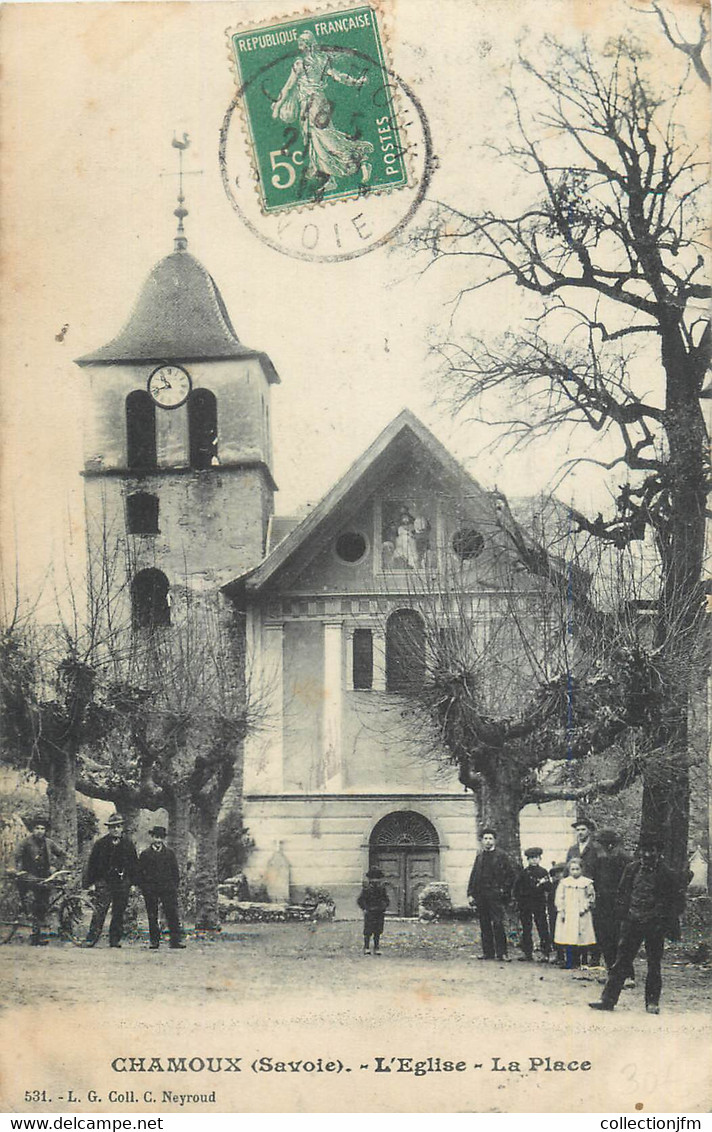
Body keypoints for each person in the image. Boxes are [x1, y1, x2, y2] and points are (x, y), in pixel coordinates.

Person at [589, 835, 690, 1015]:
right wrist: (624, 916)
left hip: (654, 925)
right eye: (643, 850)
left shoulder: (667, 874)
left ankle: (652, 1002)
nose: (646, 854)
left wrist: (663, 919)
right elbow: (622, 894)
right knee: (621, 963)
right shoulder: (631, 869)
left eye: (651, 850)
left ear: (658, 853)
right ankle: (608, 1000)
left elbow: (677, 902)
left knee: (654, 964)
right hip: (632, 922)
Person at [271, 31, 373, 191]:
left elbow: (288, 86)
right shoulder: (323, 60)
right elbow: (338, 76)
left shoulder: (300, 64)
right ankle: (329, 177)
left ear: (307, 45)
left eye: (301, 44)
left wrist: (277, 107)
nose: (300, 47)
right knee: (316, 139)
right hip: (319, 102)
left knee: (325, 138)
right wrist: (356, 82)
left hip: (311, 104)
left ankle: (361, 161)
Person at [84, 813, 138, 948]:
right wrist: (90, 883)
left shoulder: (128, 844)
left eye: (118, 826)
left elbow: (134, 865)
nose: (115, 829)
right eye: (113, 827)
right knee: (99, 910)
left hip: (122, 882)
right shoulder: (100, 844)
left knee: (119, 911)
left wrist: (133, 883)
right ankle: (92, 937)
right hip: (104, 882)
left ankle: (114, 939)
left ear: (122, 828)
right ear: (109, 828)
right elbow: (92, 864)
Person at [14, 813, 66, 946]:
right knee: (36, 902)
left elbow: (61, 854)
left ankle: (40, 932)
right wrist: (17, 870)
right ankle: (35, 935)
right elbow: (16, 856)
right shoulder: (26, 842)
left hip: (44, 877)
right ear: (32, 829)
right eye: (37, 828)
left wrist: (55, 866)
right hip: (29, 876)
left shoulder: (49, 843)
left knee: (44, 903)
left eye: (42, 829)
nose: (40, 831)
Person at [467, 828, 517, 961]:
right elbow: (474, 876)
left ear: (494, 840)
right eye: (485, 839)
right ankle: (488, 953)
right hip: (481, 895)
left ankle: (502, 953)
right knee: (484, 924)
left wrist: (503, 890)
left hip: (495, 895)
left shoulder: (501, 856)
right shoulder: (480, 856)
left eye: (490, 838)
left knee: (498, 923)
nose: (488, 841)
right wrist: (470, 893)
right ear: (482, 841)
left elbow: (511, 875)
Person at [593, 829, 634, 979]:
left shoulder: (625, 859)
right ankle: (612, 972)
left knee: (621, 939)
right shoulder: (597, 859)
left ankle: (628, 974)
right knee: (605, 939)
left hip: (619, 904)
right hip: (602, 904)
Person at [138, 826, 185, 950]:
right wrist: (144, 887)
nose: (158, 840)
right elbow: (140, 873)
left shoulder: (169, 854)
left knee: (172, 913)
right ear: (152, 837)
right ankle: (154, 941)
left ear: (163, 839)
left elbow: (175, 872)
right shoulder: (145, 854)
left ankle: (175, 941)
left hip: (167, 888)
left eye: (160, 838)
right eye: (156, 837)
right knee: (152, 914)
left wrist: (174, 886)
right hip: (151, 889)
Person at [554, 857, 596, 969]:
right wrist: (561, 910)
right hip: (568, 913)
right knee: (568, 937)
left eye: (577, 869)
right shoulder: (564, 883)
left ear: (582, 870)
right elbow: (559, 897)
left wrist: (584, 908)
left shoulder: (586, 883)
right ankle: (570, 961)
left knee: (583, 937)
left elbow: (591, 897)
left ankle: (584, 961)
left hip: (582, 913)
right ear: (569, 870)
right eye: (572, 869)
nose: (575, 872)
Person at [513, 847, 552, 962]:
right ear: (527, 860)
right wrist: (518, 899)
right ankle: (527, 952)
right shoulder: (524, 873)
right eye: (531, 858)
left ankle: (545, 953)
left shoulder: (543, 872)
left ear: (540, 858)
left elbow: (549, 888)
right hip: (525, 904)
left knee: (542, 926)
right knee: (526, 928)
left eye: (536, 858)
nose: (533, 861)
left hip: (539, 903)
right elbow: (517, 888)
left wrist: (544, 884)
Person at [357, 866, 389, 955]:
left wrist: (383, 907)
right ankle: (366, 947)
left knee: (378, 930)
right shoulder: (366, 890)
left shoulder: (382, 889)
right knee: (368, 930)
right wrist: (365, 908)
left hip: (379, 912)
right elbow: (360, 900)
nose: (375, 881)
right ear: (370, 879)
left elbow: (386, 900)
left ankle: (376, 947)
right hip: (369, 912)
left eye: (377, 879)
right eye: (373, 879)